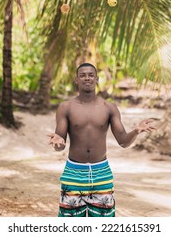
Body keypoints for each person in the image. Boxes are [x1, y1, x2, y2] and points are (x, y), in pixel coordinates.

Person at [48, 62, 156, 217]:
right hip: (73, 173)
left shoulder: (109, 108)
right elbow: (60, 145)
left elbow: (123, 142)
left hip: (102, 173)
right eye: (82, 75)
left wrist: (136, 131)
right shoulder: (66, 107)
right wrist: (57, 142)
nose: (87, 78)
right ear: (77, 80)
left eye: (91, 75)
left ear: (97, 79)